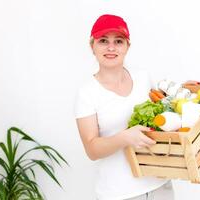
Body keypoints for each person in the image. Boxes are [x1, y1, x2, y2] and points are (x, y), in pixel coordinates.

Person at [75, 14, 175, 200]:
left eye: (118, 41)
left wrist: (180, 94)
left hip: (160, 184)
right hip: (120, 193)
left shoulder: (143, 77)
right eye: (103, 41)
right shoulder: (87, 93)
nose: (111, 47)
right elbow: (92, 149)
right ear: (92, 46)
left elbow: (162, 116)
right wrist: (124, 138)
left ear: (127, 46)